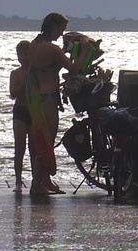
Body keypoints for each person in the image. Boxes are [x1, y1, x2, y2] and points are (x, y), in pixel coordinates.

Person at [22, 13, 82, 197]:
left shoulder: (34, 45)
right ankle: (36, 185)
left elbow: (48, 65)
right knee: (46, 142)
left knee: (39, 140)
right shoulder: (52, 49)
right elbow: (74, 68)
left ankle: (44, 181)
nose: (61, 33)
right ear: (53, 27)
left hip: (35, 99)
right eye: (61, 29)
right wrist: (86, 51)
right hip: (47, 99)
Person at [7, 40, 31, 188]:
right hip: (20, 111)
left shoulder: (37, 72)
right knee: (19, 147)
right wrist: (26, 81)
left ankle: (38, 180)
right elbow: (13, 93)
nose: (22, 58)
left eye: (25, 54)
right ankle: (18, 180)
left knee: (34, 148)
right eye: (19, 55)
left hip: (33, 111)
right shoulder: (15, 73)